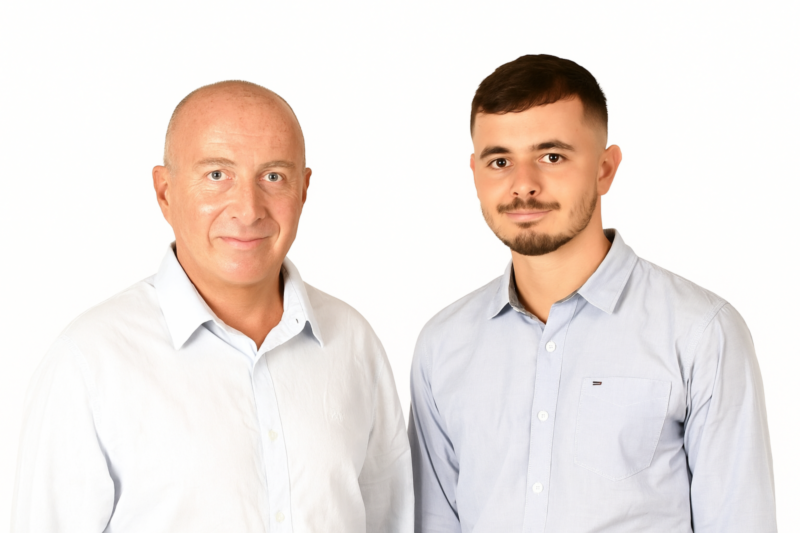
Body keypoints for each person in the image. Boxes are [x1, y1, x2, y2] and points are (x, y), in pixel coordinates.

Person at [12, 81, 413, 533]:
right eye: (217, 175)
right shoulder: (88, 362)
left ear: (303, 190)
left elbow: (392, 521)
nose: (248, 209)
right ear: (165, 192)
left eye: (273, 176)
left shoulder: (353, 343)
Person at [408, 54, 776, 533]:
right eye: (500, 161)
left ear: (605, 169)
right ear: (475, 173)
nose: (523, 185)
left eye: (551, 156)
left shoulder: (701, 332)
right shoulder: (442, 346)